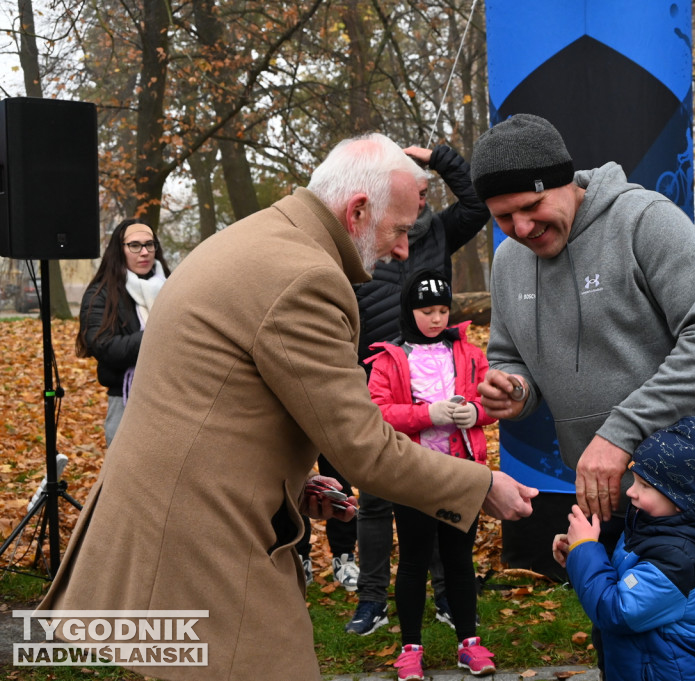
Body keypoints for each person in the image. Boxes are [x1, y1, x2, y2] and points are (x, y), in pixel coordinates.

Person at [38, 133, 536, 681]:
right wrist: (480, 486)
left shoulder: (258, 236)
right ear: (358, 211)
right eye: (399, 232)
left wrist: (289, 485)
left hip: (166, 515)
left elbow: (221, 400)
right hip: (201, 536)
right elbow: (365, 450)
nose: (401, 250)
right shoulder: (307, 277)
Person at [472, 113, 695, 681]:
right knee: (631, 653)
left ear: (565, 181)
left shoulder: (646, 222)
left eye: (532, 207)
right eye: (504, 218)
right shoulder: (507, 264)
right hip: (610, 498)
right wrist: (514, 388)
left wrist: (620, 432)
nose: (521, 228)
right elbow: (510, 354)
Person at [347, 143, 492, 636]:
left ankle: (448, 593)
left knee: (438, 490)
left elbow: (476, 203)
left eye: (425, 190)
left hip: (439, 378)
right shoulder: (362, 239)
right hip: (380, 375)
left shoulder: (437, 231)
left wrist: (437, 157)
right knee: (376, 498)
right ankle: (372, 600)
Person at [365, 270, 496, 680]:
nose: (437, 319)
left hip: (461, 473)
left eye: (442, 310)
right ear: (410, 311)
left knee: (459, 559)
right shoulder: (389, 358)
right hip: (413, 474)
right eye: (427, 311)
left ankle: (469, 643)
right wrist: (427, 415)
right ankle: (410, 647)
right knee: (414, 561)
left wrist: (476, 412)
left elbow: (491, 397)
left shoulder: (470, 352)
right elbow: (378, 412)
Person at [553, 415, 695, 681]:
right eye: (634, 480)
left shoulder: (679, 559)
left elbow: (618, 611)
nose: (630, 492)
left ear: (680, 498)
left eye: (645, 486)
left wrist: (587, 551)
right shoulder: (653, 523)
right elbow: (626, 575)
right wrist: (578, 553)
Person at [75, 218, 170, 446]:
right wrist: (157, 336)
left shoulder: (172, 285)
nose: (145, 252)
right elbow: (104, 347)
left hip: (172, 396)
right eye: (135, 245)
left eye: (150, 244)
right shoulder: (101, 295)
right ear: (120, 250)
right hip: (126, 400)